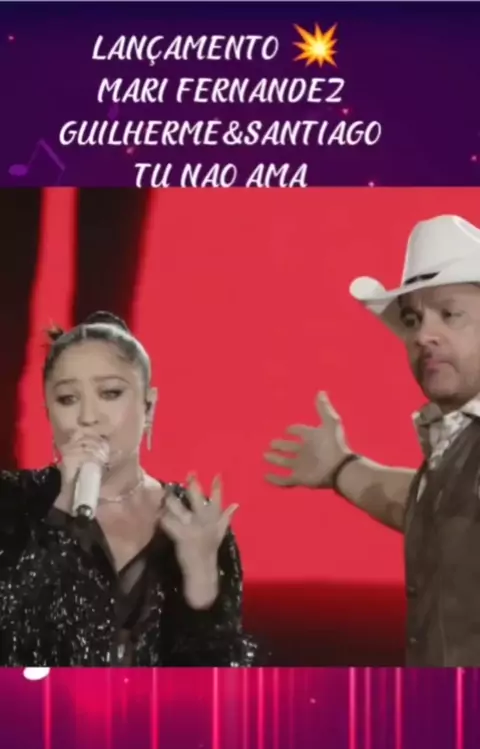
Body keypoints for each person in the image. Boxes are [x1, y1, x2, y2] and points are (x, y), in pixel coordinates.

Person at [265, 213, 480, 667]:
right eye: (412, 319)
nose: (423, 335)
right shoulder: (458, 444)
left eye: (450, 314)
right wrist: (342, 468)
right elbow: (432, 508)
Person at [0, 311, 262, 667]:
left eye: (110, 393)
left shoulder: (190, 518)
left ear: (148, 406)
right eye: (67, 398)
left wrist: (201, 583)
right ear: (48, 411)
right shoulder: (12, 501)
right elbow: (14, 641)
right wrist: (62, 510)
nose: (88, 416)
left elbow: (219, 673)